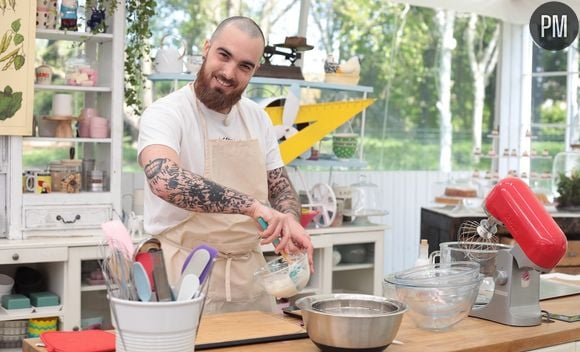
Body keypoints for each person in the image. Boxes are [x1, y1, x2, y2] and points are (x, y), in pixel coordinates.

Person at [137, 16, 314, 314]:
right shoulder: (166, 113)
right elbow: (164, 180)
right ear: (207, 48)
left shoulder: (257, 118)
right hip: (185, 274)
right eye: (224, 55)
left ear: (254, 70)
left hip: (250, 279)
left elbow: (280, 186)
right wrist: (253, 207)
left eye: (244, 65)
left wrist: (289, 220)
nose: (229, 72)